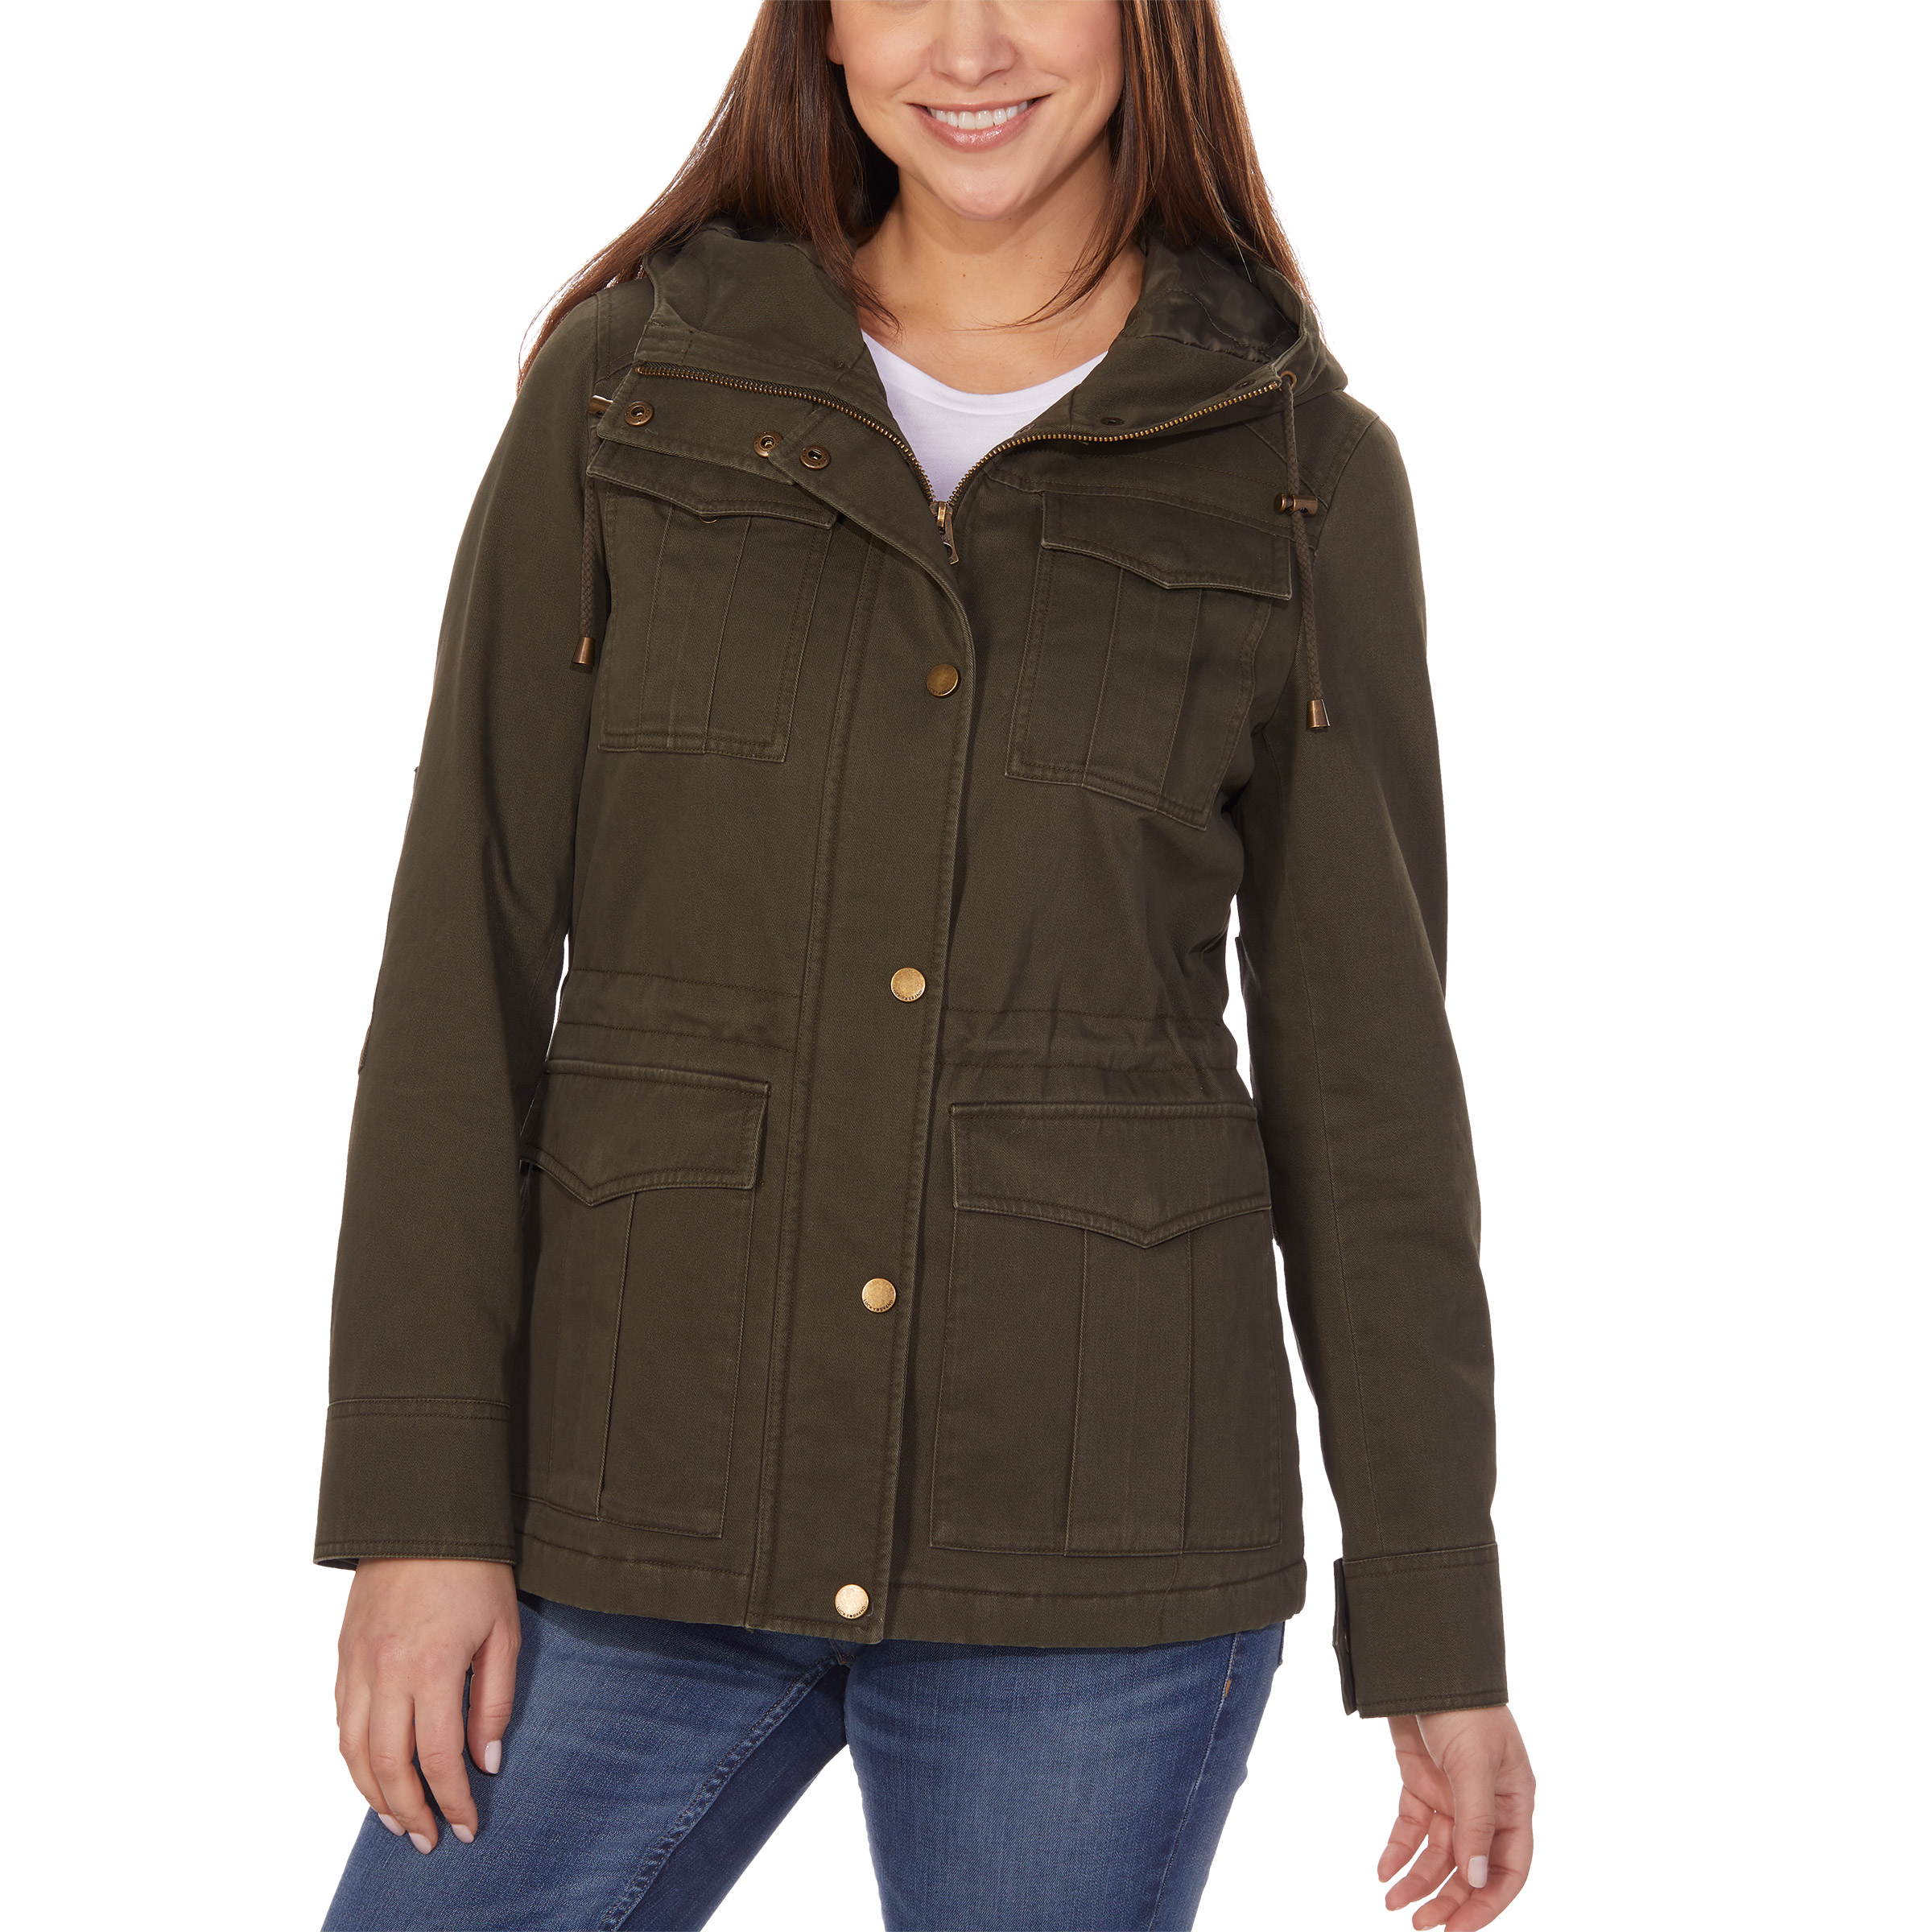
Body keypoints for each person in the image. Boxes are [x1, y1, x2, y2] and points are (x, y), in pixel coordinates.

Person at [315, 3, 1536, 1927]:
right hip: (635, 1491)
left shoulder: (1298, 470)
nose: (966, 45)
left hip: (1094, 1537)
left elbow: (1366, 1081)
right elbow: (458, 961)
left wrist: (1435, 1614)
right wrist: (419, 1510)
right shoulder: (630, 392)